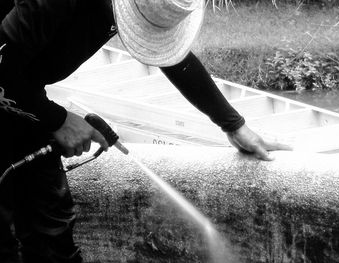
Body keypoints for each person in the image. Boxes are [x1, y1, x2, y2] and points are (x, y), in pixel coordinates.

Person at [0, 0, 291, 262]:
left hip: (22, 94)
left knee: (51, 232)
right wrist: (58, 119)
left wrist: (233, 124)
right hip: (12, 87)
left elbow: (174, 59)